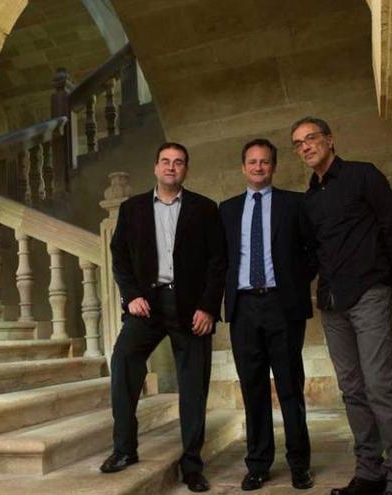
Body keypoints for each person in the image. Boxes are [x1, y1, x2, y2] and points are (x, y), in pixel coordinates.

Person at [291, 117, 392, 495]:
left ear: (330, 139)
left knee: (380, 387)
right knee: (353, 390)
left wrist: (384, 282)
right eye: (298, 143)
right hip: (331, 303)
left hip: (368, 294)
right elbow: (314, 254)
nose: (306, 147)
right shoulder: (309, 197)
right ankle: (370, 473)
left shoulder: (363, 175)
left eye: (311, 138)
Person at [100, 142, 227, 493]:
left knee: (193, 386)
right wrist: (132, 297)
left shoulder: (204, 208)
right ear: (156, 167)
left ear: (186, 169)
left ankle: (192, 464)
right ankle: (124, 449)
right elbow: (120, 257)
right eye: (166, 162)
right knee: (124, 363)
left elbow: (218, 263)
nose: (172, 167)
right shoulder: (132, 208)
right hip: (147, 305)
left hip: (190, 308)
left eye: (179, 163)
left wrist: (208, 308)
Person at [219, 139, 317, 491]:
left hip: (283, 306)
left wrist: (292, 282)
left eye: (265, 162)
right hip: (244, 308)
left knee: (290, 387)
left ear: (273, 167)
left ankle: (299, 464)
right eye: (252, 162)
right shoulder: (227, 210)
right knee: (253, 388)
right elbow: (221, 261)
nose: (258, 167)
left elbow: (312, 252)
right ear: (243, 167)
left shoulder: (295, 204)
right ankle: (258, 464)